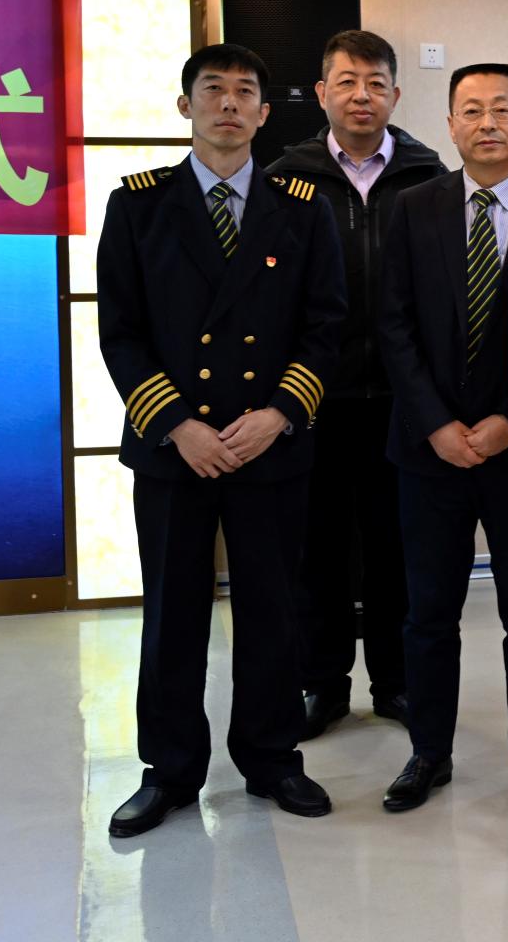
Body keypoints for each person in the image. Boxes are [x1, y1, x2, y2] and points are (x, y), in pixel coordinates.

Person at [97, 43, 347, 837]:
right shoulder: (138, 206)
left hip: (268, 446)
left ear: (266, 114)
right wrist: (178, 424)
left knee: (274, 610)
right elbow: (119, 332)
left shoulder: (302, 207)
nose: (229, 104)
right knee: (174, 613)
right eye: (213, 90)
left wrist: (279, 413)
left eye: (245, 93)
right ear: (186, 106)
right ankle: (169, 770)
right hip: (176, 450)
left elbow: (326, 326)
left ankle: (272, 758)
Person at [374, 63, 508, 818]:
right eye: (471, 110)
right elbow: (392, 323)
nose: (487, 123)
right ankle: (429, 752)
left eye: (502, 109)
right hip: (427, 451)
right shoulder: (412, 208)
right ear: (451, 126)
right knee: (429, 613)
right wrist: (435, 423)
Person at [267, 30, 446, 742]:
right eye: (346, 82)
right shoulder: (287, 176)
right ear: (321, 93)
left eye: (375, 83)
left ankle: (396, 682)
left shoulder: (429, 175)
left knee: (398, 545)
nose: (361, 96)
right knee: (317, 548)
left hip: (404, 398)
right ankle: (323, 682)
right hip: (315, 396)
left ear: (396, 94)